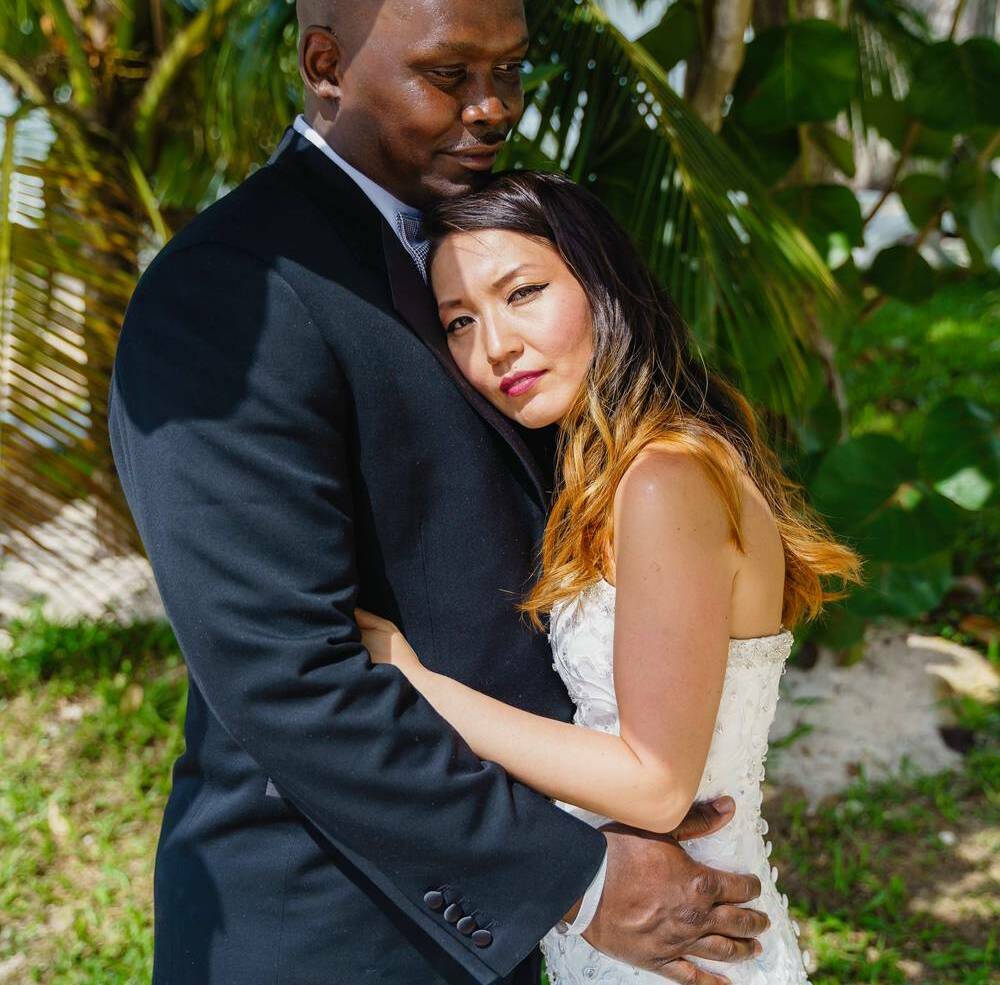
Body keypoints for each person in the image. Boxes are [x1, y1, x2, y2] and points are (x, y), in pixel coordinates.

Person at [107, 1, 772, 983]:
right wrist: (575, 880)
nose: (494, 105)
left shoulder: (488, 238)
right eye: (449, 75)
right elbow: (285, 672)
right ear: (325, 66)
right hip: (341, 927)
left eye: (512, 70)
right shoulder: (230, 291)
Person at [355, 171, 864, 984]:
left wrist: (418, 685)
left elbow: (656, 784)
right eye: (460, 321)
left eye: (522, 292)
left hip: (682, 945)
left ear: (602, 283)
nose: (496, 346)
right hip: (641, 932)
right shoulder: (621, 476)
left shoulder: (666, 478)